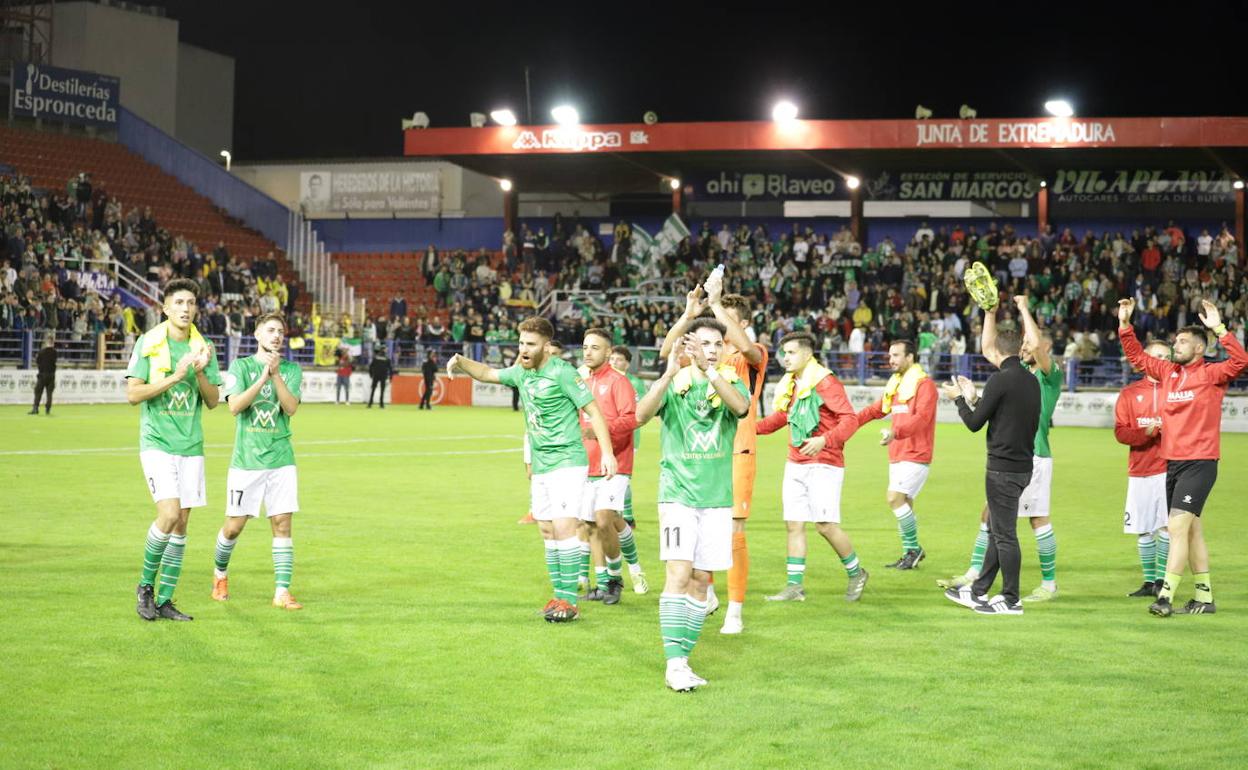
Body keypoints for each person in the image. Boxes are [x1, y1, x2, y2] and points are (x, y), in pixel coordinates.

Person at [447, 317, 617, 623]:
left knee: (565, 528)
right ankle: (558, 595)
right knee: (546, 529)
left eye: (531, 344)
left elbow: (594, 411)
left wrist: (607, 453)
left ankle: (568, 601)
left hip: (567, 462)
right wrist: (460, 361)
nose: (524, 350)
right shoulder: (521, 372)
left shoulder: (563, 372)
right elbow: (487, 372)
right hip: (541, 465)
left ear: (547, 347)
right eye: (521, 343)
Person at [635, 318, 749, 691]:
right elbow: (640, 416)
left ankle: (682, 659)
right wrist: (667, 375)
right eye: (704, 343)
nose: (711, 350)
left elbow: (741, 409)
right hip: (678, 495)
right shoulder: (677, 383)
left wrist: (713, 371)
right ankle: (674, 664)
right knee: (679, 575)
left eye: (717, 344)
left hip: (716, 499)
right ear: (688, 346)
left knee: (702, 581)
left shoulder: (730, 381)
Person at [1118, 298, 1248, 616]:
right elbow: (1136, 355)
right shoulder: (1167, 372)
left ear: (1200, 348)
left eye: (1184, 341)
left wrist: (1219, 327)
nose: (1177, 345)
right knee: (1191, 531)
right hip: (1172, 463)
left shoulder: (1212, 375)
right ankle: (1204, 598)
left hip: (1200, 463)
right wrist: (1124, 324)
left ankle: (1165, 597)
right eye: (1176, 340)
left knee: (1176, 529)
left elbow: (1241, 360)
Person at [658, 279, 767, 634]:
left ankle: (735, 609)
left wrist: (717, 304)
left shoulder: (750, 355)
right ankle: (708, 595)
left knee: (735, 533)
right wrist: (689, 313)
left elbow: (746, 347)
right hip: (696, 458)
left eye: (726, 324)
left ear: (742, 325)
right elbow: (666, 353)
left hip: (737, 450)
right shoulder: (702, 353)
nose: (718, 332)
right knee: (699, 548)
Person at [938, 296, 1062, 603]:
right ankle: (977, 578)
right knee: (992, 518)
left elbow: (1033, 343)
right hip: (1014, 457)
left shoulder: (1048, 375)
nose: (1024, 350)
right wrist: (989, 313)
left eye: (1029, 347)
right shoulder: (1017, 376)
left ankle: (1044, 585)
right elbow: (990, 349)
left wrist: (1022, 308)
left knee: (1034, 520)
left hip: (1031, 456)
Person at [126, 278, 223, 621]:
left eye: (191, 302)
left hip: (191, 445)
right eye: (178, 302)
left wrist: (197, 374)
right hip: (157, 443)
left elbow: (213, 401)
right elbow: (133, 394)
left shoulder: (204, 347)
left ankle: (165, 600)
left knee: (181, 524)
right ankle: (144, 587)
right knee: (168, 515)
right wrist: (176, 374)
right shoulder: (149, 343)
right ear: (165, 308)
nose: (185, 308)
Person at [756, 332, 866, 604]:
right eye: (784, 353)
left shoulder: (825, 382)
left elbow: (850, 419)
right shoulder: (792, 383)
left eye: (791, 353)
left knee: (825, 525)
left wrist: (824, 440)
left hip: (824, 462)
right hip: (795, 461)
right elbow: (783, 416)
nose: (785, 358)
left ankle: (857, 572)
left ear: (807, 354)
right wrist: (750, 429)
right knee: (793, 524)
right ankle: (795, 586)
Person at [211, 313, 304, 610]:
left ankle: (281, 591)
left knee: (282, 522)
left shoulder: (291, 370)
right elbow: (235, 406)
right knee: (234, 526)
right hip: (247, 461)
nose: (276, 336)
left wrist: (275, 375)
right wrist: (263, 375)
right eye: (270, 330)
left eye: (280, 331)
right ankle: (220, 574)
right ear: (258, 335)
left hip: (280, 458)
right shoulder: (241, 366)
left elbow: (290, 409)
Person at [853, 339, 938, 569]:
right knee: (905, 504)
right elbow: (876, 409)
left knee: (894, 498)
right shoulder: (896, 384)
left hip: (916, 453)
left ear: (910, 357)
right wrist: (851, 422)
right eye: (890, 355)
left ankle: (915, 549)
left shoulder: (924, 385)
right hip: (898, 452)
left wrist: (895, 432)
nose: (891, 360)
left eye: (896, 355)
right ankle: (910, 553)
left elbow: (922, 419)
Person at [576, 328, 640, 606]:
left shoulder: (618, 382)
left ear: (607, 353)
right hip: (586, 463)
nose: (588, 352)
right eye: (585, 347)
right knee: (591, 524)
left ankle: (615, 579)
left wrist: (600, 430)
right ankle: (603, 582)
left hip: (616, 462)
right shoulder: (580, 383)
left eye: (595, 347)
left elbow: (632, 419)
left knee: (604, 519)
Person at [1113, 340, 1173, 598]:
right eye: (1156, 356)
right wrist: (1147, 432)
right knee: (1143, 527)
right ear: (1144, 359)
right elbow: (1121, 432)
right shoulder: (1129, 393)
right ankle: (1149, 583)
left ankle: (1162, 580)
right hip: (1139, 469)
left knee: (1166, 528)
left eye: (1166, 356)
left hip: (1169, 468)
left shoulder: (1176, 391)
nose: (1161, 361)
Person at [609, 344, 649, 592]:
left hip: (626, 441)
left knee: (623, 483)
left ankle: (627, 514)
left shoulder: (634, 383)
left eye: (620, 359)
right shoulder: (598, 377)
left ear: (628, 362)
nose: (616, 362)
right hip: (600, 443)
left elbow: (637, 413)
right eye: (613, 358)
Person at [30, 334, 56, 415]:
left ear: (46, 342)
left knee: (38, 392)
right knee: (49, 394)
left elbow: (37, 362)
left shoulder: (41, 352)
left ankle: (35, 408)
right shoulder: (55, 352)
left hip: (42, 374)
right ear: (53, 343)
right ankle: (48, 409)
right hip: (51, 375)